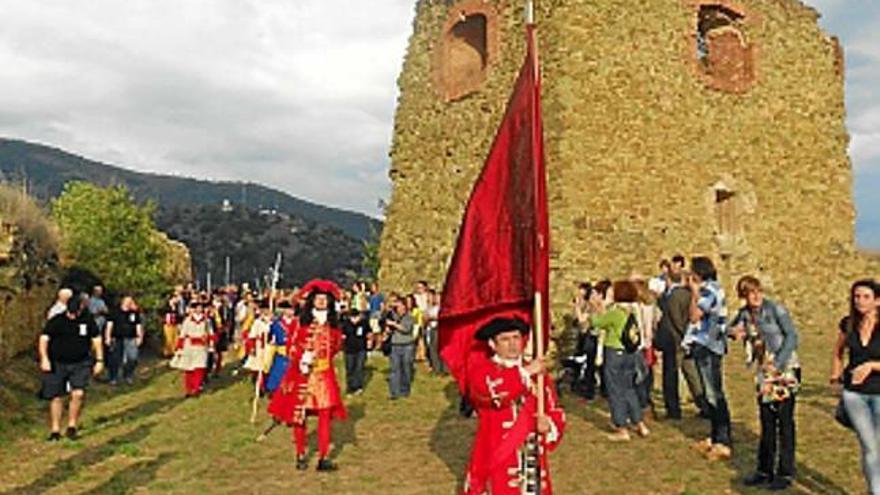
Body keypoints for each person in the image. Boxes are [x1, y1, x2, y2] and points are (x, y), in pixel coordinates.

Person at [462, 317, 565, 495]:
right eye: (505, 339)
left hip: (532, 456)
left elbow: (555, 409)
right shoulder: (481, 371)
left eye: (516, 337)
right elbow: (494, 394)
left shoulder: (538, 375)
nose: (512, 344)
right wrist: (526, 372)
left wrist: (549, 425)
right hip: (496, 454)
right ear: (492, 344)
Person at [268, 280, 347, 472]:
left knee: (325, 416)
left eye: (324, 299)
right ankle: (301, 453)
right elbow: (291, 347)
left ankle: (323, 457)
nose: (321, 302)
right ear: (312, 301)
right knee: (299, 416)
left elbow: (336, 347)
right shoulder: (299, 323)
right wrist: (301, 357)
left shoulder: (333, 325)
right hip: (303, 375)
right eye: (318, 299)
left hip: (324, 375)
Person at [730, 275, 800, 491]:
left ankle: (785, 471)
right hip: (763, 372)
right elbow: (728, 329)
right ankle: (764, 469)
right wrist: (733, 332)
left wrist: (778, 364)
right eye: (750, 293)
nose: (756, 296)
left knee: (784, 421)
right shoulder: (744, 314)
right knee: (767, 421)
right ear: (744, 296)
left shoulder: (775, 309)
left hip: (784, 369)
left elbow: (791, 336)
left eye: (758, 291)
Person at [832, 279, 880, 494]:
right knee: (870, 448)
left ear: (877, 301)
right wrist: (835, 374)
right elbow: (838, 351)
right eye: (857, 296)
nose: (860, 301)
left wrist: (871, 365)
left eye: (866, 297)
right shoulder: (848, 323)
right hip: (854, 394)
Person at [682, 256, 732, 461]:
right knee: (710, 394)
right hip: (705, 345)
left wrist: (694, 293)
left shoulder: (709, 291)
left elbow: (694, 316)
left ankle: (723, 440)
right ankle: (715, 436)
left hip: (709, 346)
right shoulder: (710, 289)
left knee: (714, 395)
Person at [590, 280, 651, 441]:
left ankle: (621, 426)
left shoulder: (616, 312)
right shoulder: (633, 311)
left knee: (615, 390)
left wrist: (596, 308)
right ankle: (639, 422)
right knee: (629, 388)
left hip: (614, 352)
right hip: (629, 354)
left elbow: (597, 323)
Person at [38, 295, 104, 441]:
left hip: (80, 362)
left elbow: (96, 339)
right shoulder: (57, 321)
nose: (74, 315)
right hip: (57, 363)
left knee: (78, 393)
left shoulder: (87, 321)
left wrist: (99, 360)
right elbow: (44, 339)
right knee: (56, 396)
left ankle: (72, 425)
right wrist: (44, 358)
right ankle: (55, 429)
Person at [655, 270, 709, 420]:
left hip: (675, 341)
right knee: (692, 375)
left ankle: (673, 410)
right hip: (688, 340)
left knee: (671, 376)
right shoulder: (691, 295)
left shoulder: (675, 296)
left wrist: (682, 335)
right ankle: (704, 406)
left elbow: (675, 318)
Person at [170, 300, 213, 397]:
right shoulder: (187, 320)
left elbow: (210, 333)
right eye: (197, 307)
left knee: (200, 367)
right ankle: (189, 389)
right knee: (189, 368)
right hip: (189, 346)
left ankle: (196, 388)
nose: (199, 309)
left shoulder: (207, 321)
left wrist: (210, 343)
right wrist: (179, 347)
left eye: (201, 307)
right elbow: (182, 335)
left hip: (201, 346)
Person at [104, 296, 144, 386]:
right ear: (123, 302)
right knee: (115, 359)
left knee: (133, 358)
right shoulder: (115, 312)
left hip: (131, 338)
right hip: (116, 338)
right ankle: (113, 377)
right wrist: (108, 337)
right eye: (128, 301)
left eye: (131, 301)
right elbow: (109, 325)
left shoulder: (134, 313)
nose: (130, 303)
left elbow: (138, 325)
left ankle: (128, 375)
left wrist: (140, 337)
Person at [386, 297, 416, 399]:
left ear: (404, 306)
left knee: (406, 368)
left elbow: (406, 329)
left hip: (407, 345)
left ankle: (405, 390)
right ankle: (394, 392)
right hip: (395, 345)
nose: (398, 308)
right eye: (396, 306)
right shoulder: (392, 316)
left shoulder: (409, 317)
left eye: (399, 305)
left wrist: (394, 324)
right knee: (395, 369)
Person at [264, 300, 295, 395]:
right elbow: (270, 337)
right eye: (289, 310)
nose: (291, 312)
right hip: (281, 349)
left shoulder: (297, 322)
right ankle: (274, 388)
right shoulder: (277, 323)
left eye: (292, 309)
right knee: (278, 370)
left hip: (294, 349)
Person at [341, 308, 369, 395]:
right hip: (349, 349)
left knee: (359, 368)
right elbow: (342, 335)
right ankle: (350, 387)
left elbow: (369, 332)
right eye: (352, 317)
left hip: (361, 348)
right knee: (350, 368)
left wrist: (369, 341)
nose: (354, 319)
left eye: (356, 317)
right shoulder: (345, 324)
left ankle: (358, 386)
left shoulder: (364, 323)